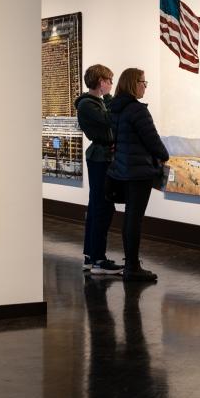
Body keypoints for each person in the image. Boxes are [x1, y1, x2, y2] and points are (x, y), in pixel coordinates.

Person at [107, 68, 169, 281]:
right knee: (135, 219)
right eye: (143, 82)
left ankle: (130, 264)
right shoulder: (137, 110)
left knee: (129, 218)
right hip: (138, 173)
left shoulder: (115, 108)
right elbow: (153, 140)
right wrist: (164, 155)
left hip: (122, 171)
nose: (145, 86)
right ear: (134, 84)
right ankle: (132, 267)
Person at [75, 64, 122, 275]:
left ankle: (91, 256)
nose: (111, 84)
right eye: (109, 80)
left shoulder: (95, 103)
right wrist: (109, 97)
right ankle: (98, 260)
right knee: (101, 207)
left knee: (98, 206)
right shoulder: (87, 104)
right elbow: (110, 119)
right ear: (101, 81)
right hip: (99, 159)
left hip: (103, 157)